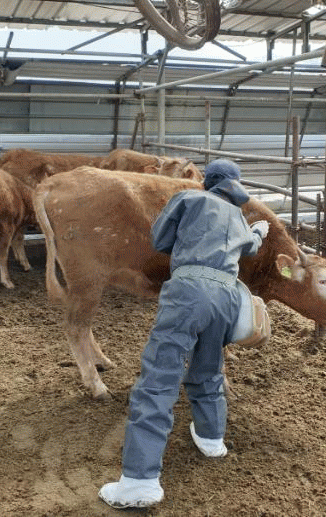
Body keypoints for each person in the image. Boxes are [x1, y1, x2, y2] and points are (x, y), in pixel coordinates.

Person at [98, 159, 270, 509]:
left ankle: (139, 481)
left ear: (209, 181)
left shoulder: (189, 198)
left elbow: (161, 239)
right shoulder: (239, 216)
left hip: (190, 290)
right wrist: (258, 232)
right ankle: (211, 438)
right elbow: (250, 248)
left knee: (159, 377)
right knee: (208, 367)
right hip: (227, 296)